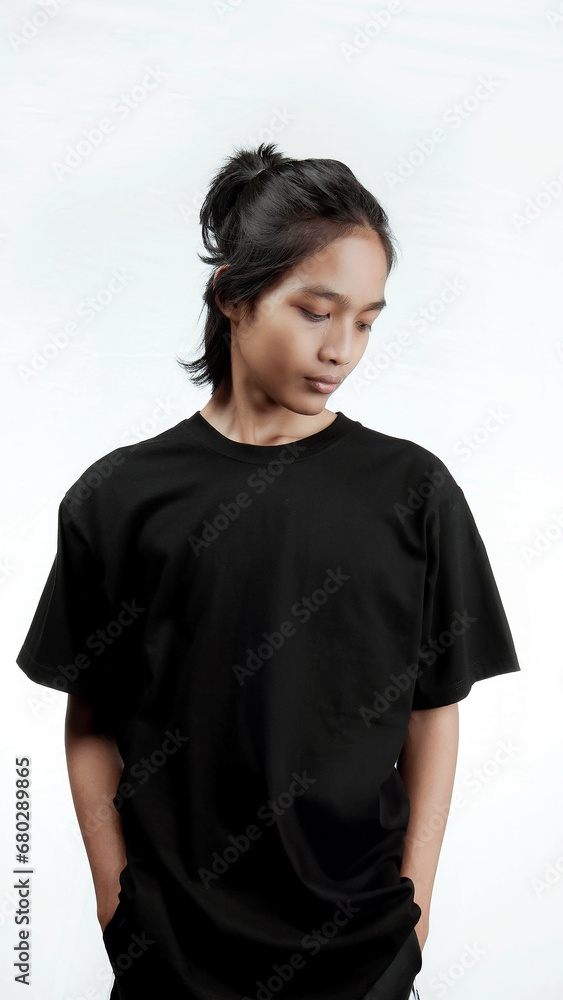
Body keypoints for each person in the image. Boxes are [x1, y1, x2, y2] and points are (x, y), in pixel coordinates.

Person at [16, 141, 521, 1000]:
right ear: (232, 297)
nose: (342, 349)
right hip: (173, 956)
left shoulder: (412, 491)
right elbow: (91, 719)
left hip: (360, 953)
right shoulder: (119, 496)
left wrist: (414, 915)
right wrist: (116, 907)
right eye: (316, 311)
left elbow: (432, 711)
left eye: (366, 321)